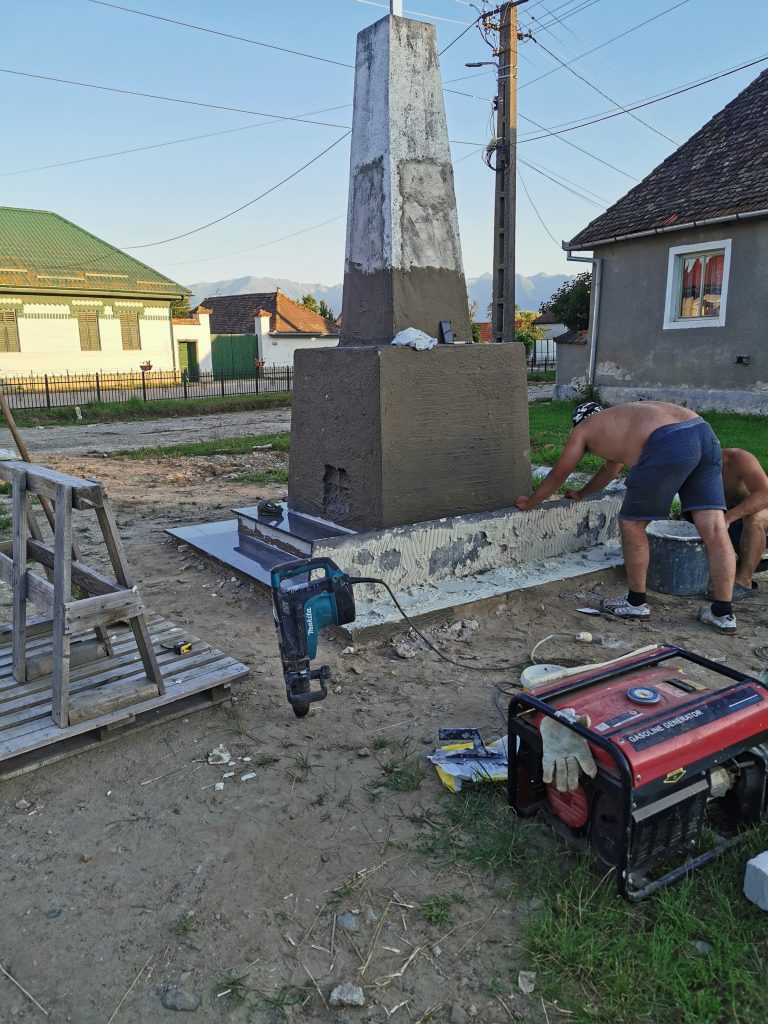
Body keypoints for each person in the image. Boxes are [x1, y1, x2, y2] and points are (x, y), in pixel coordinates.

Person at [515, 401, 738, 635]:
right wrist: (582, 493)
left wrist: (530, 502)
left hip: (667, 440)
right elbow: (610, 470)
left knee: (632, 522)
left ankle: (636, 603)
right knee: (714, 528)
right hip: (702, 432)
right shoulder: (618, 419)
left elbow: (558, 474)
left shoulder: (582, 429)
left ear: (578, 421)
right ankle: (723, 613)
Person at [718, 448, 768, 598]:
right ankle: (748, 562)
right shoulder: (692, 468)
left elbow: (765, 494)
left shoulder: (738, 459)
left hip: (761, 510)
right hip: (737, 519)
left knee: (754, 519)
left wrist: (728, 518)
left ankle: (744, 582)